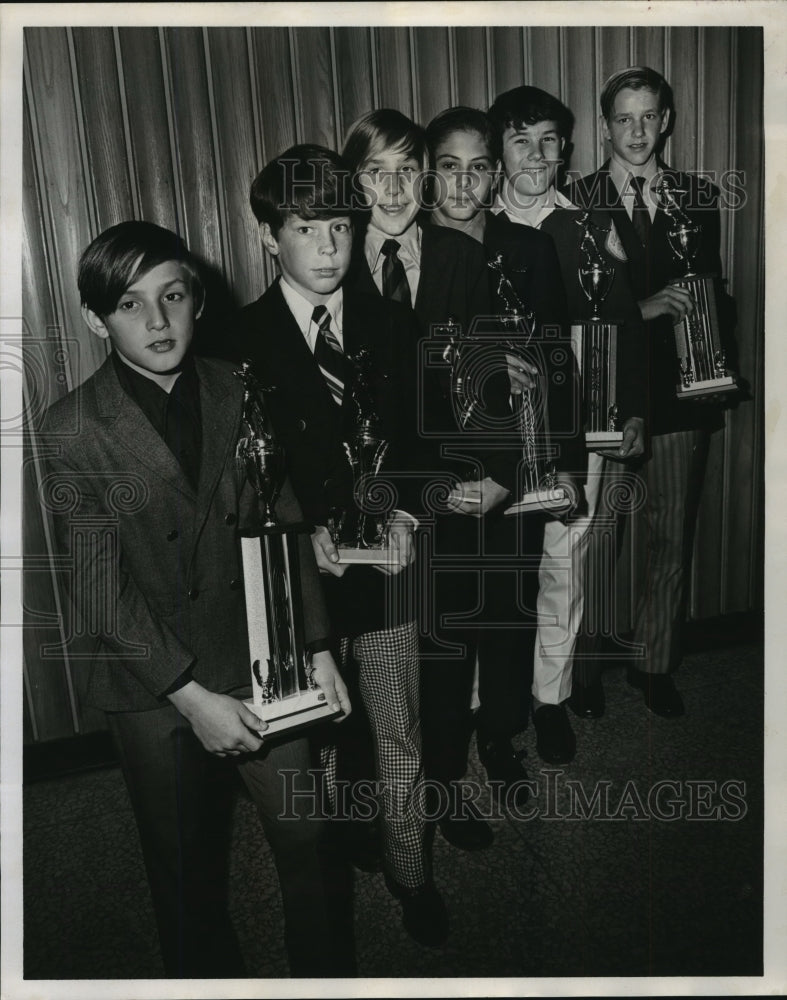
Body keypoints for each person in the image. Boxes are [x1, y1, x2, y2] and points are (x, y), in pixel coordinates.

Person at [42, 221, 353, 978]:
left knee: (308, 842)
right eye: (129, 304)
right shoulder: (70, 430)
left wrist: (314, 650)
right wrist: (190, 697)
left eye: (173, 296)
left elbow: (281, 513)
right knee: (184, 874)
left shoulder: (238, 386)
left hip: (261, 654)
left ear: (196, 299)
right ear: (95, 319)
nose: (156, 322)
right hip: (152, 683)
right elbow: (99, 588)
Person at [229, 144, 448, 947]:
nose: (326, 247)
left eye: (340, 227)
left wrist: (404, 516)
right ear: (267, 236)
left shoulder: (394, 323)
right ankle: (320, 882)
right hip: (297, 586)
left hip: (386, 570)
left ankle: (409, 871)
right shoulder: (234, 341)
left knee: (399, 733)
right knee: (310, 746)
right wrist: (298, 534)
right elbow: (236, 480)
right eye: (304, 227)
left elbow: (430, 441)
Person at [479, 86, 649, 757]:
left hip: (578, 427)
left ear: (566, 148)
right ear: (498, 149)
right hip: (493, 436)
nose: (536, 155)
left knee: (564, 563)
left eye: (549, 139)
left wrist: (631, 405)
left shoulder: (588, 224)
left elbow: (625, 322)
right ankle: (481, 706)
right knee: (492, 576)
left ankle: (549, 698)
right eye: (521, 140)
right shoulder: (469, 227)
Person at [425, 104, 591, 771]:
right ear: (427, 174)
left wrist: (568, 462)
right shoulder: (401, 252)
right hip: (435, 468)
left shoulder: (523, 249)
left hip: (514, 460)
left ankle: (499, 735)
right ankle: (441, 756)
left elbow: (556, 356)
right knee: (442, 621)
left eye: (477, 167)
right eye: (447, 167)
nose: (462, 184)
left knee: (506, 610)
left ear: (494, 175)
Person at [568, 66, 737, 717]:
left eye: (648, 116)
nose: (636, 131)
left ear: (664, 120)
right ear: (605, 126)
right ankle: (579, 674)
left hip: (680, 396)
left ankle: (653, 662)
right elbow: (569, 310)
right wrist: (636, 309)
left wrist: (715, 353)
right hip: (605, 397)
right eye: (622, 118)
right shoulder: (577, 200)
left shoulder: (696, 197)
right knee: (596, 539)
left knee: (671, 535)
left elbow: (705, 292)